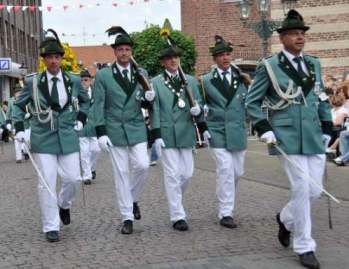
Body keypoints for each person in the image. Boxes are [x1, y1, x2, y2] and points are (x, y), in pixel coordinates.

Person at [246, 10, 332, 269]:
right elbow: (252, 101)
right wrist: (264, 127)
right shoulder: (269, 67)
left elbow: (321, 97)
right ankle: (305, 245)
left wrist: (328, 126)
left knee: (315, 190)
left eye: (302, 33)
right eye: (294, 33)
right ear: (282, 37)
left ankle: (285, 219)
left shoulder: (314, 64)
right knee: (302, 188)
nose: (300, 37)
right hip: (287, 135)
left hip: (314, 134)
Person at [12, 29, 90, 242]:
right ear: (44, 60)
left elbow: (86, 101)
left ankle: (64, 204)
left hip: (67, 135)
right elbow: (18, 106)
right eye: (49, 58)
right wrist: (19, 128)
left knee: (73, 178)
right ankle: (50, 226)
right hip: (43, 136)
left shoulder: (73, 81)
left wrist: (81, 119)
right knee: (46, 182)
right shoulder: (32, 82)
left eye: (57, 57)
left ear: (61, 59)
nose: (53, 61)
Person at [93, 27, 155, 234]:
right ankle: (127, 217)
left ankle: (132, 197)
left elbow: (146, 104)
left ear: (131, 52)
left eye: (127, 49)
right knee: (121, 173)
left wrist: (149, 100)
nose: (124, 53)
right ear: (115, 52)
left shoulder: (141, 74)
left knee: (144, 165)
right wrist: (100, 132)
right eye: (120, 49)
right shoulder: (103, 75)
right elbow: (98, 104)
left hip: (136, 126)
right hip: (114, 128)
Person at [150, 44, 203, 231]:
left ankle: (175, 199)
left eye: (176, 58)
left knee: (187, 173)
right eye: (169, 58)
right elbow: (154, 109)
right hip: (167, 132)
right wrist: (156, 134)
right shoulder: (155, 82)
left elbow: (199, 102)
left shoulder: (189, 80)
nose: (174, 61)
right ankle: (177, 215)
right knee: (172, 175)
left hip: (186, 131)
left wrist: (199, 110)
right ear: (164, 62)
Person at [200, 35, 249, 229]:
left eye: (228, 54)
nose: (226, 58)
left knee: (237, 171)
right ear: (215, 59)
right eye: (221, 55)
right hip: (217, 129)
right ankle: (226, 211)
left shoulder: (241, 78)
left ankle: (225, 198)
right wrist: (202, 124)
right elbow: (201, 103)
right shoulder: (206, 80)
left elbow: (251, 101)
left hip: (237, 130)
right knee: (226, 169)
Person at [78, 69, 101, 185]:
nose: (83, 82)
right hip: (81, 128)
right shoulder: (76, 94)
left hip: (94, 126)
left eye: (86, 80)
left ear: (90, 81)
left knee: (96, 150)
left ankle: (91, 168)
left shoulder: (96, 93)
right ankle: (87, 175)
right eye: (81, 80)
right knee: (84, 152)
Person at [7, 85, 23, 162]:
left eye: (19, 91)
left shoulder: (24, 99)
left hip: (24, 122)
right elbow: (8, 113)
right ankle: (18, 158)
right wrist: (8, 123)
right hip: (15, 123)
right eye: (17, 92)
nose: (18, 93)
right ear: (14, 93)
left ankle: (25, 151)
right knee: (17, 140)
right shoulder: (10, 101)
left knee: (25, 139)